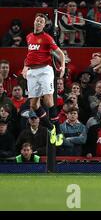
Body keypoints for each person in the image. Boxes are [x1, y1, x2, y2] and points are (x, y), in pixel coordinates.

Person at [21, 13, 65, 146]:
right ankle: (51, 128)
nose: (38, 23)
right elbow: (30, 55)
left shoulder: (47, 38)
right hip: (32, 72)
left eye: (41, 21)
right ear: (34, 22)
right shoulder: (29, 37)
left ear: (44, 25)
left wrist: (62, 66)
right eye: (37, 20)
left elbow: (60, 53)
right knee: (33, 105)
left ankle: (58, 131)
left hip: (45, 70)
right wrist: (25, 67)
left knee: (48, 99)